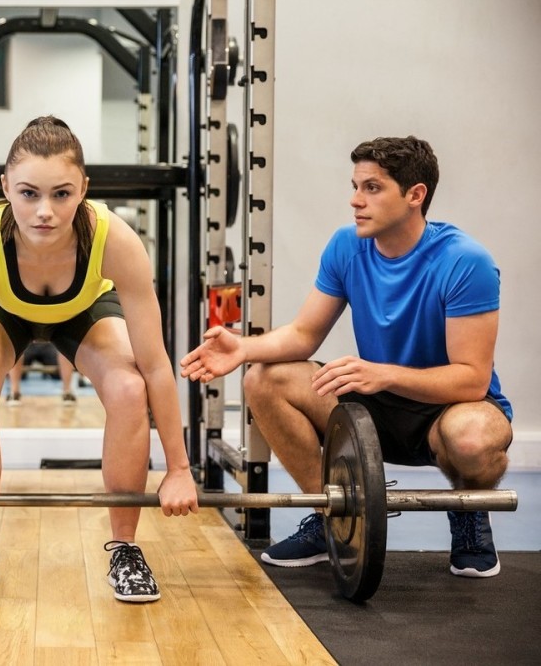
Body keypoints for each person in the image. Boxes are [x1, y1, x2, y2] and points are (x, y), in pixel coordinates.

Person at [0, 116, 199, 603]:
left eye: (62, 194)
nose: (45, 211)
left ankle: (125, 548)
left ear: (84, 190)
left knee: (129, 387)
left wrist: (178, 469)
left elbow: (156, 365)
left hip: (85, 310)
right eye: (29, 193)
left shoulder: (114, 240)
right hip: (6, 309)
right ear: (5, 186)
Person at [180, 136, 513, 578]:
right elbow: (303, 335)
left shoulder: (465, 262)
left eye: (372, 188)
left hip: (449, 409)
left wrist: (383, 374)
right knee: (264, 380)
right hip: (374, 402)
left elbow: (472, 379)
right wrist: (243, 348)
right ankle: (330, 515)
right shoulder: (346, 247)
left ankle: (470, 511)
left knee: (474, 438)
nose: (356, 200)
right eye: (355, 186)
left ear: (415, 195)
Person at [6, 341, 77, 405]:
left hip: (48, 342)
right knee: (15, 346)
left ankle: (67, 392)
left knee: (65, 348)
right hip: (28, 343)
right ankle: (14, 393)